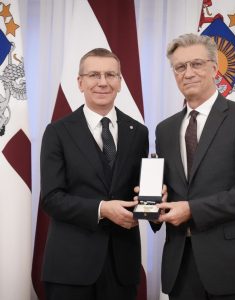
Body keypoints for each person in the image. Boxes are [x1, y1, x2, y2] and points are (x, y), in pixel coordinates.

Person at [154, 33, 235, 300]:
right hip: (182, 269)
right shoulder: (164, 130)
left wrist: (191, 210)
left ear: (214, 67)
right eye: (180, 67)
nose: (188, 73)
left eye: (196, 64)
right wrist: (154, 202)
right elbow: (172, 192)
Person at [40, 48, 149, 300]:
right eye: (94, 75)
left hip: (123, 265)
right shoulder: (57, 132)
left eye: (110, 74)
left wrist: (151, 204)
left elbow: (140, 190)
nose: (102, 82)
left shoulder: (139, 132)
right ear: (80, 82)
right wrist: (102, 209)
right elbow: (52, 198)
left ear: (120, 82)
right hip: (70, 267)